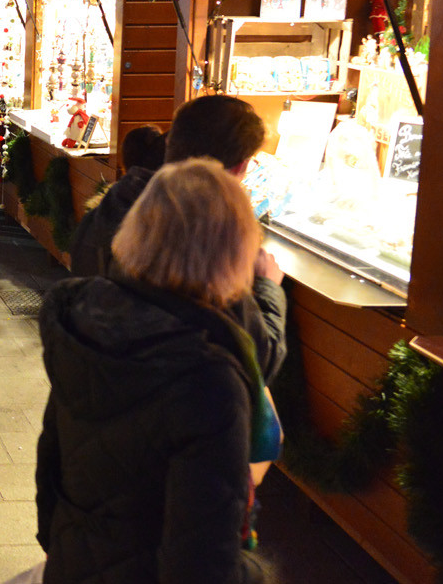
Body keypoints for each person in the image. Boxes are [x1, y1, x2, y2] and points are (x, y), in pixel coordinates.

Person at [37, 159, 275, 584]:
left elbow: (49, 468)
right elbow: (202, 563)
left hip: (74, 562)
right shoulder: (208, 377)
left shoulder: (86, 322)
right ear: (234, 247)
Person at [69, 95, 288, 382]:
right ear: (240, 169)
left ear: (173, 141)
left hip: (98, 394)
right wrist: (268, 287)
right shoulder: (199, 244)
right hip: (170, 412)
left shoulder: (118, 202)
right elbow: (258, 360)